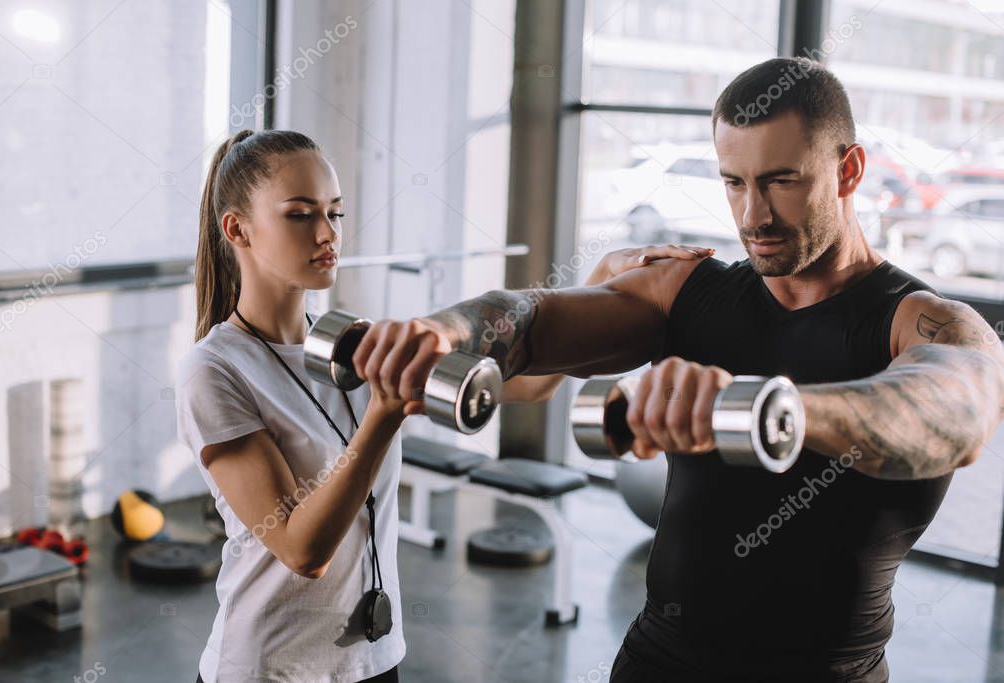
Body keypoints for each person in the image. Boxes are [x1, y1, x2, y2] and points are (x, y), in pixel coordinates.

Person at [346, 57, 1004, 683]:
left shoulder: (916, 319)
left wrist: (769, 407)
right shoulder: (688, 290)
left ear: (849, 168)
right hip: (659, 662)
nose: (754, 216)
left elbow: (955, 412)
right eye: (733, 182)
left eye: (781, 180)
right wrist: (446, 330)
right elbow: (532, 319)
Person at [174, 127, 709, 682]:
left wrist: (600, 288)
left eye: (335, 213)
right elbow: (303, 549)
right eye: (300, 214)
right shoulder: (214, 371)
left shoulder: (352, 341)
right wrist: (384, 413)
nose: (326, 232)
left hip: (374, 660)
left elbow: (529, 383)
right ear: (237, 229)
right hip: (269, 669)